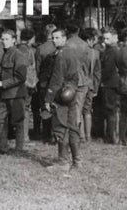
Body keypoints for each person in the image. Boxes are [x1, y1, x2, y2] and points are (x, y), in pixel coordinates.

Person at [44, 28, 81, 172]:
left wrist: (48, 98)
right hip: (71, 93)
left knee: (60, 127)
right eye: (53, 38)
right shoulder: (71, 51)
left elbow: (56, 79)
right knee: (72, 127)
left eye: (58, 37)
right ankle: (77, 161)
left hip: (61, 95)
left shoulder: (61, 55)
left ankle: (63, 162)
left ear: (65, 38)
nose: (54, 40)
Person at [0, 29, 28, 155]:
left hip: (15, 93)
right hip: (4, 93)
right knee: (0, 119)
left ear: (14, 40)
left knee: (18, 121)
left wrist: (2, 84)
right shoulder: (5, 54)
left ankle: (19, 148)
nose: (4, 42)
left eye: (7, 39)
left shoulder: (18, 54)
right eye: (3, 39)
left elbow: (21, 77)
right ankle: (3, 147)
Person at [35, 24, 57, 143]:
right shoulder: (58, 47)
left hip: (43, 82)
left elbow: (37, 67)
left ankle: (46, 134)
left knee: (44, 107)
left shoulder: (41, 48)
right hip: (56, 82)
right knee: (56, 106)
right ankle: (56, 134)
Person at [81, 28, 101, 143]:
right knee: (87, 110)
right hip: (90, 84)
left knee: (78, 111)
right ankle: (88, 136)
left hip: (79, 85)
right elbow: (97, 73)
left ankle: (82, 136)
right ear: (90, 39)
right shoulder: (95, 53)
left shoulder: (77, 50)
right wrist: (96, 87)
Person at [100, 28, 120, 144]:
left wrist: (101, 80)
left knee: (110, 109)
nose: (105, 41)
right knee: (111, 110)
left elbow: (108, 69)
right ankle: (112, 134)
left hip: (109, 83)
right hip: (112, 82)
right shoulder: (111, 50)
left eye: (108, 38)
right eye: (104, 38)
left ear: (114, 37)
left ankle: (111, 136)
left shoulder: (112, 51)